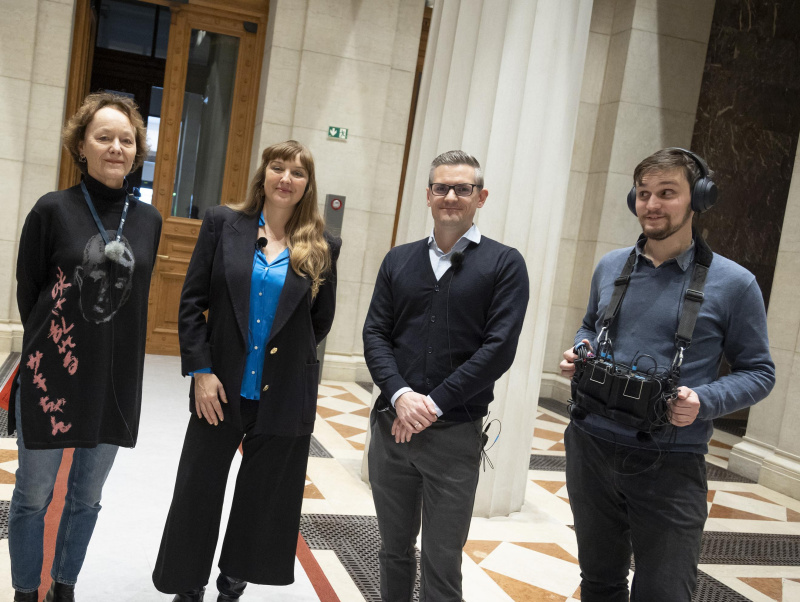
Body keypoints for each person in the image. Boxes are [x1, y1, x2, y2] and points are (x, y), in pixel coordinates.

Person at [559, 147, 776, 601]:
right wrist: (582, 349)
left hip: (670, 461)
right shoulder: (610, 266)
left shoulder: (734, 283)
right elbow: (589, 326)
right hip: (590, 447)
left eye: (667, 193)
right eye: (643, 194)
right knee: (599, 583)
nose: (652, 204)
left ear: (698, 199)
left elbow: (759, 372)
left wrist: (703, 402)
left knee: (665, 593)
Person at [152, 140, 341, 602]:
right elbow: (193, 302)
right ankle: (187, 582)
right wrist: (201, 370)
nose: (286, 178)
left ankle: (235, 577)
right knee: (199, 487)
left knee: (263, 496)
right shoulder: (223, 224)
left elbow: (319, 322)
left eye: (297, 172)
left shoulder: (323, 245)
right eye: (278, 167)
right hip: (218, 388)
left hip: (282, 394)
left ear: (307, 186)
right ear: (263, 174)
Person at [10, 92, 162, 602]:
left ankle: (64, 588)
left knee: (87, 498)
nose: (116, 147)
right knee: (33, 497)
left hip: (113, 378)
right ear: (81, 145)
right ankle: (27, 590)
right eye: (104, 137)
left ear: (138, 150)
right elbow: (29, 291)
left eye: (127, 139)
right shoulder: (51, 209)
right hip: (51, 372)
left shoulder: (149, 221)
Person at [363, 150, 529, 602]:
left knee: (441, 557)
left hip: (454, 435)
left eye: (463, 188)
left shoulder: (504, 264)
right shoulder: (398, 260)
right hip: (390, 430)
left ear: (481, 197)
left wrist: (430, 404)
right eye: (442, 187)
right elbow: (375, 333)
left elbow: (499, 350)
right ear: (429, 195)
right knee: (393, 550)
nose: (451, 196)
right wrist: (399, 395)